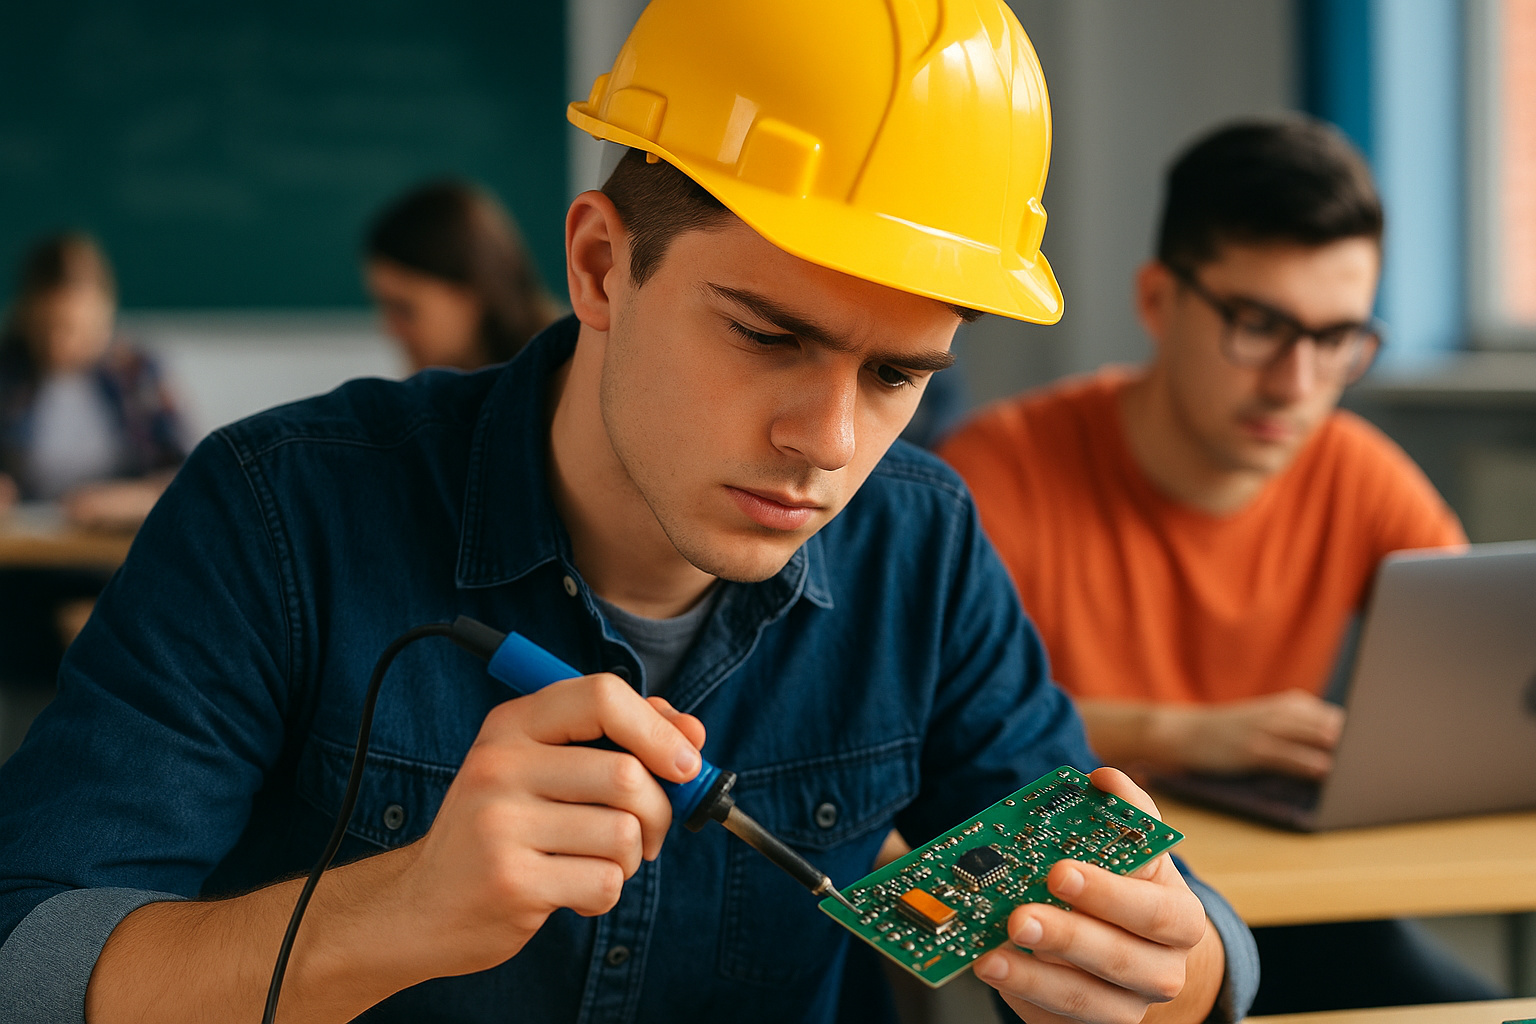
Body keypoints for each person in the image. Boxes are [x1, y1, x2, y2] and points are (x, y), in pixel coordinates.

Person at [0, 5, 1256, 1023]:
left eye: (896, 376)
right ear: (601, 265)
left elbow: (1189, 941)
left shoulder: (921, 546)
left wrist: (1170, 965)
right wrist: (387, 915)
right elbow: (27, 958)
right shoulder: (280, 514)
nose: (829, 444)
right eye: (766, 335)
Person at [939, 117, 1491, 1013]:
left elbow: (1479, 682)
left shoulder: (1360, 473)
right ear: (1158, 301)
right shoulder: (993, 477)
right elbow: (930, 733)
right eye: (1260, 325)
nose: (1296, 381)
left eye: (1339, 337)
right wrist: (1189, 734)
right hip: (1084, 912)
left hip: (1297, 911)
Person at [0, 233, 185, 687]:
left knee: (109, 631)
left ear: (105, 312)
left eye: (76, 328)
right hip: (21, 569)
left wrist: (131, 498)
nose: (62, 343)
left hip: (112, 564)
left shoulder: (135, 372)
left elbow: (188, 473)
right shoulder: (7, 370)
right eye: (48, 327)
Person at [363, 179, 563, 372]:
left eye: (404, 308)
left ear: (474, 292)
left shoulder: (563, 386)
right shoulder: (434, 396)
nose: (390, 330)